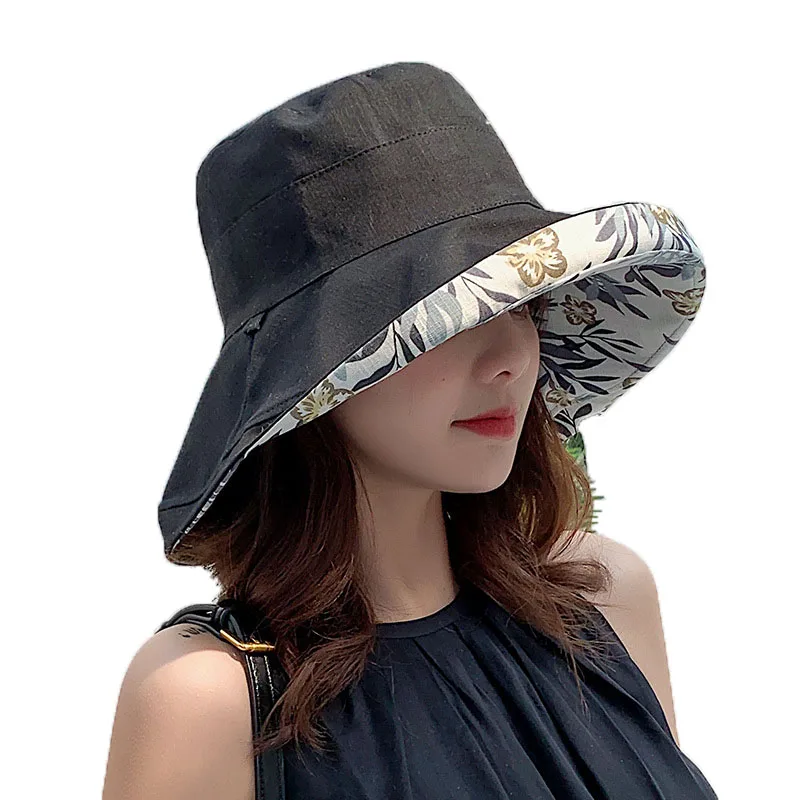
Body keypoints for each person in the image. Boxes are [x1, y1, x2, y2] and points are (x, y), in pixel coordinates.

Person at [102, 62, 717, 799]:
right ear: (313, 375)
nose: (509, 359)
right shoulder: (207, 700)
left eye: (522, 305)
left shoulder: (603, 602)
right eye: (448, 319)